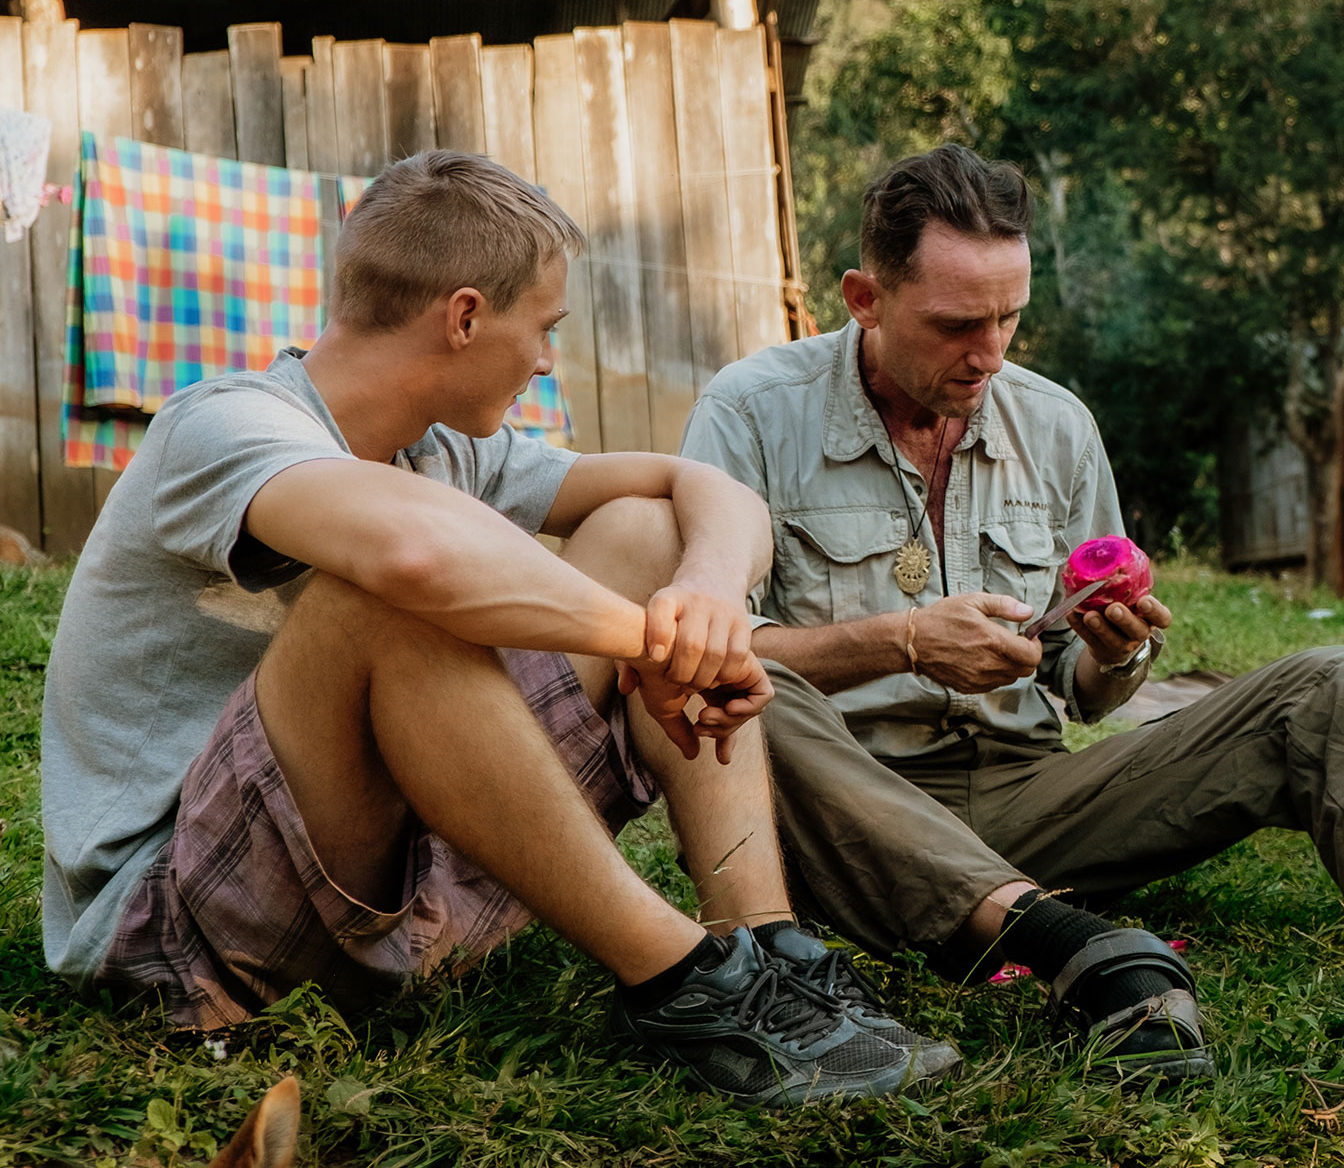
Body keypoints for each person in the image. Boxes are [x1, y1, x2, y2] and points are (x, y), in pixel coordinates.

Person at [682, 144, 1344, 1083]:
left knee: (1329, 679)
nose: (989, 352)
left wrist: (1111, 653)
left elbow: (1084, 695)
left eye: (1009, 318)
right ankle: (1073, 956)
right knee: (747, 694)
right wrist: (900, 642)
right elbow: (701, 655)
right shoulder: (751, 411)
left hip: (1032, 797)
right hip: (843, 812)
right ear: (864, 296)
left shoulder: (1051, 423)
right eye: (956, 324)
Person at [41, 151, 952, 1108]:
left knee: (645, 530)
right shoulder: (225, 426)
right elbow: (412, 562)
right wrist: (654, 643)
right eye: (545, 329)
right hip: (177, 930)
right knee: (382, 595)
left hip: (369, 877)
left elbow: (704, 488)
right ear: (467, 316)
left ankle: (765, 948)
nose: (549, 359)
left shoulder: (441, 447)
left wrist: (712, 595)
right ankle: (685, 983)